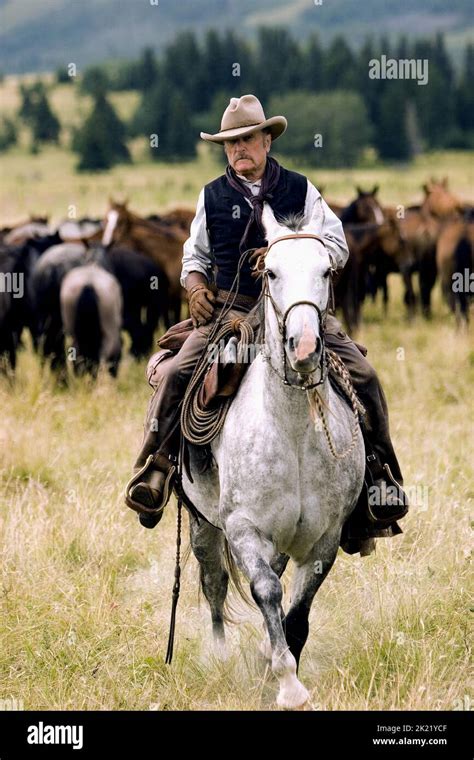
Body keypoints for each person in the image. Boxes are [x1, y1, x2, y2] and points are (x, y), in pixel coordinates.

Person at [125, 94, 408, 554]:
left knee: (364, 375)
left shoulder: (300, 189)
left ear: (267, 140)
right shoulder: (211, 196)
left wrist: (298, 251)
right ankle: (154, 468)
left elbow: (337, 246)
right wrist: (196, 289)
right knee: (178, 374)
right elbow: (192, 259)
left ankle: (380, 479)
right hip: (230, 316)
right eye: (231, 143)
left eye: (248, 139)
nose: (239, 149)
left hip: (297, 311)